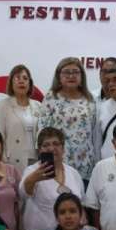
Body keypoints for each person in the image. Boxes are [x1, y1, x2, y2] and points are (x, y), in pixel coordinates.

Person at [37, 57, 98, 188]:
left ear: (82, 76)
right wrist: (45, 160)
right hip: (57, 162)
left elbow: (94, 132)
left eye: (76, 72)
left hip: (84, 164)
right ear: (59, 76)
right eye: (66, 72)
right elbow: (42, 131)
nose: (71, 76)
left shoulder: (90, 99)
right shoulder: (51, 97)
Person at [0, 64, 42, 170]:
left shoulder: (38, 105)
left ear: (30, 83)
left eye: (25, 78)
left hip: (34, 158)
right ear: (11, 83)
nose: (21, 81)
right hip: (12, 159)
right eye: (17, 78)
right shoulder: (3, 105)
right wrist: (1, 160)